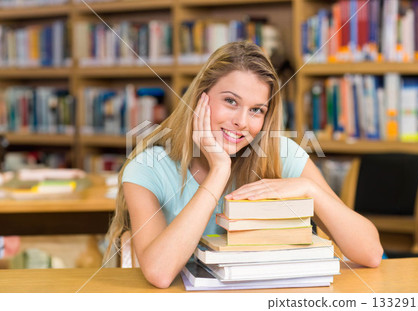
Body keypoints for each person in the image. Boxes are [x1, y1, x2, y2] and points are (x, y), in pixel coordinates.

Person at [105, 41, 383, 288]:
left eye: (256, 110)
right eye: (230, 101)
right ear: (200, 97)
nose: (241, 121)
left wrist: (312, 189)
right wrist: (219, 172)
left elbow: (370, 252)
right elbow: (159, 273)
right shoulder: (148, 167)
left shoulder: (280, 154)